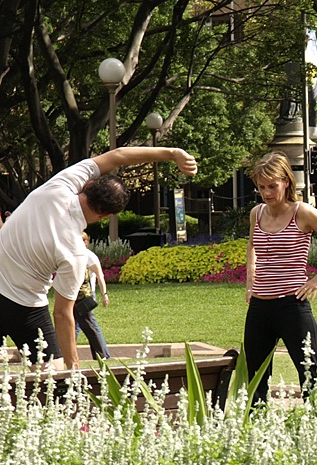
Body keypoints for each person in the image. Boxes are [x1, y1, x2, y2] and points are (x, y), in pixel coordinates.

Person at [0, 146, 198, 368]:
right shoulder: (75, 252)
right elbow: (63, 314)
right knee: (53, 383)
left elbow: (117, 155)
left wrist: (172, 153)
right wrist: (72, 367)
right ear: (106, 216)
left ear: (89, 184)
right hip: (25, 307)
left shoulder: (59, 186)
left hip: (15, 296)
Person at [245, 152, 317, 403]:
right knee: (255, 377)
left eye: (272, 186)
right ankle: (254, 433)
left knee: (311, 372)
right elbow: (252, 245)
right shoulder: (257, 213)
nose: (267, 193)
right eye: (261, 187)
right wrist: (250, 280)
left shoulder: (302, 212)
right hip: (259, 307)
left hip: (292, 305)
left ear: (286, 181)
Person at [74, 232, 111, 360]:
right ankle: (67, 353)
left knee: (89, 325)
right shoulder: (76, 255)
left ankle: (103, 354)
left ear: (86, 242)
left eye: (81, 240)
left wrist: (104, 294)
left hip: (86, 295)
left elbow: (100, 276)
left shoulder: (89, 256)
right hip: (75, 295)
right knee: (75, 325)